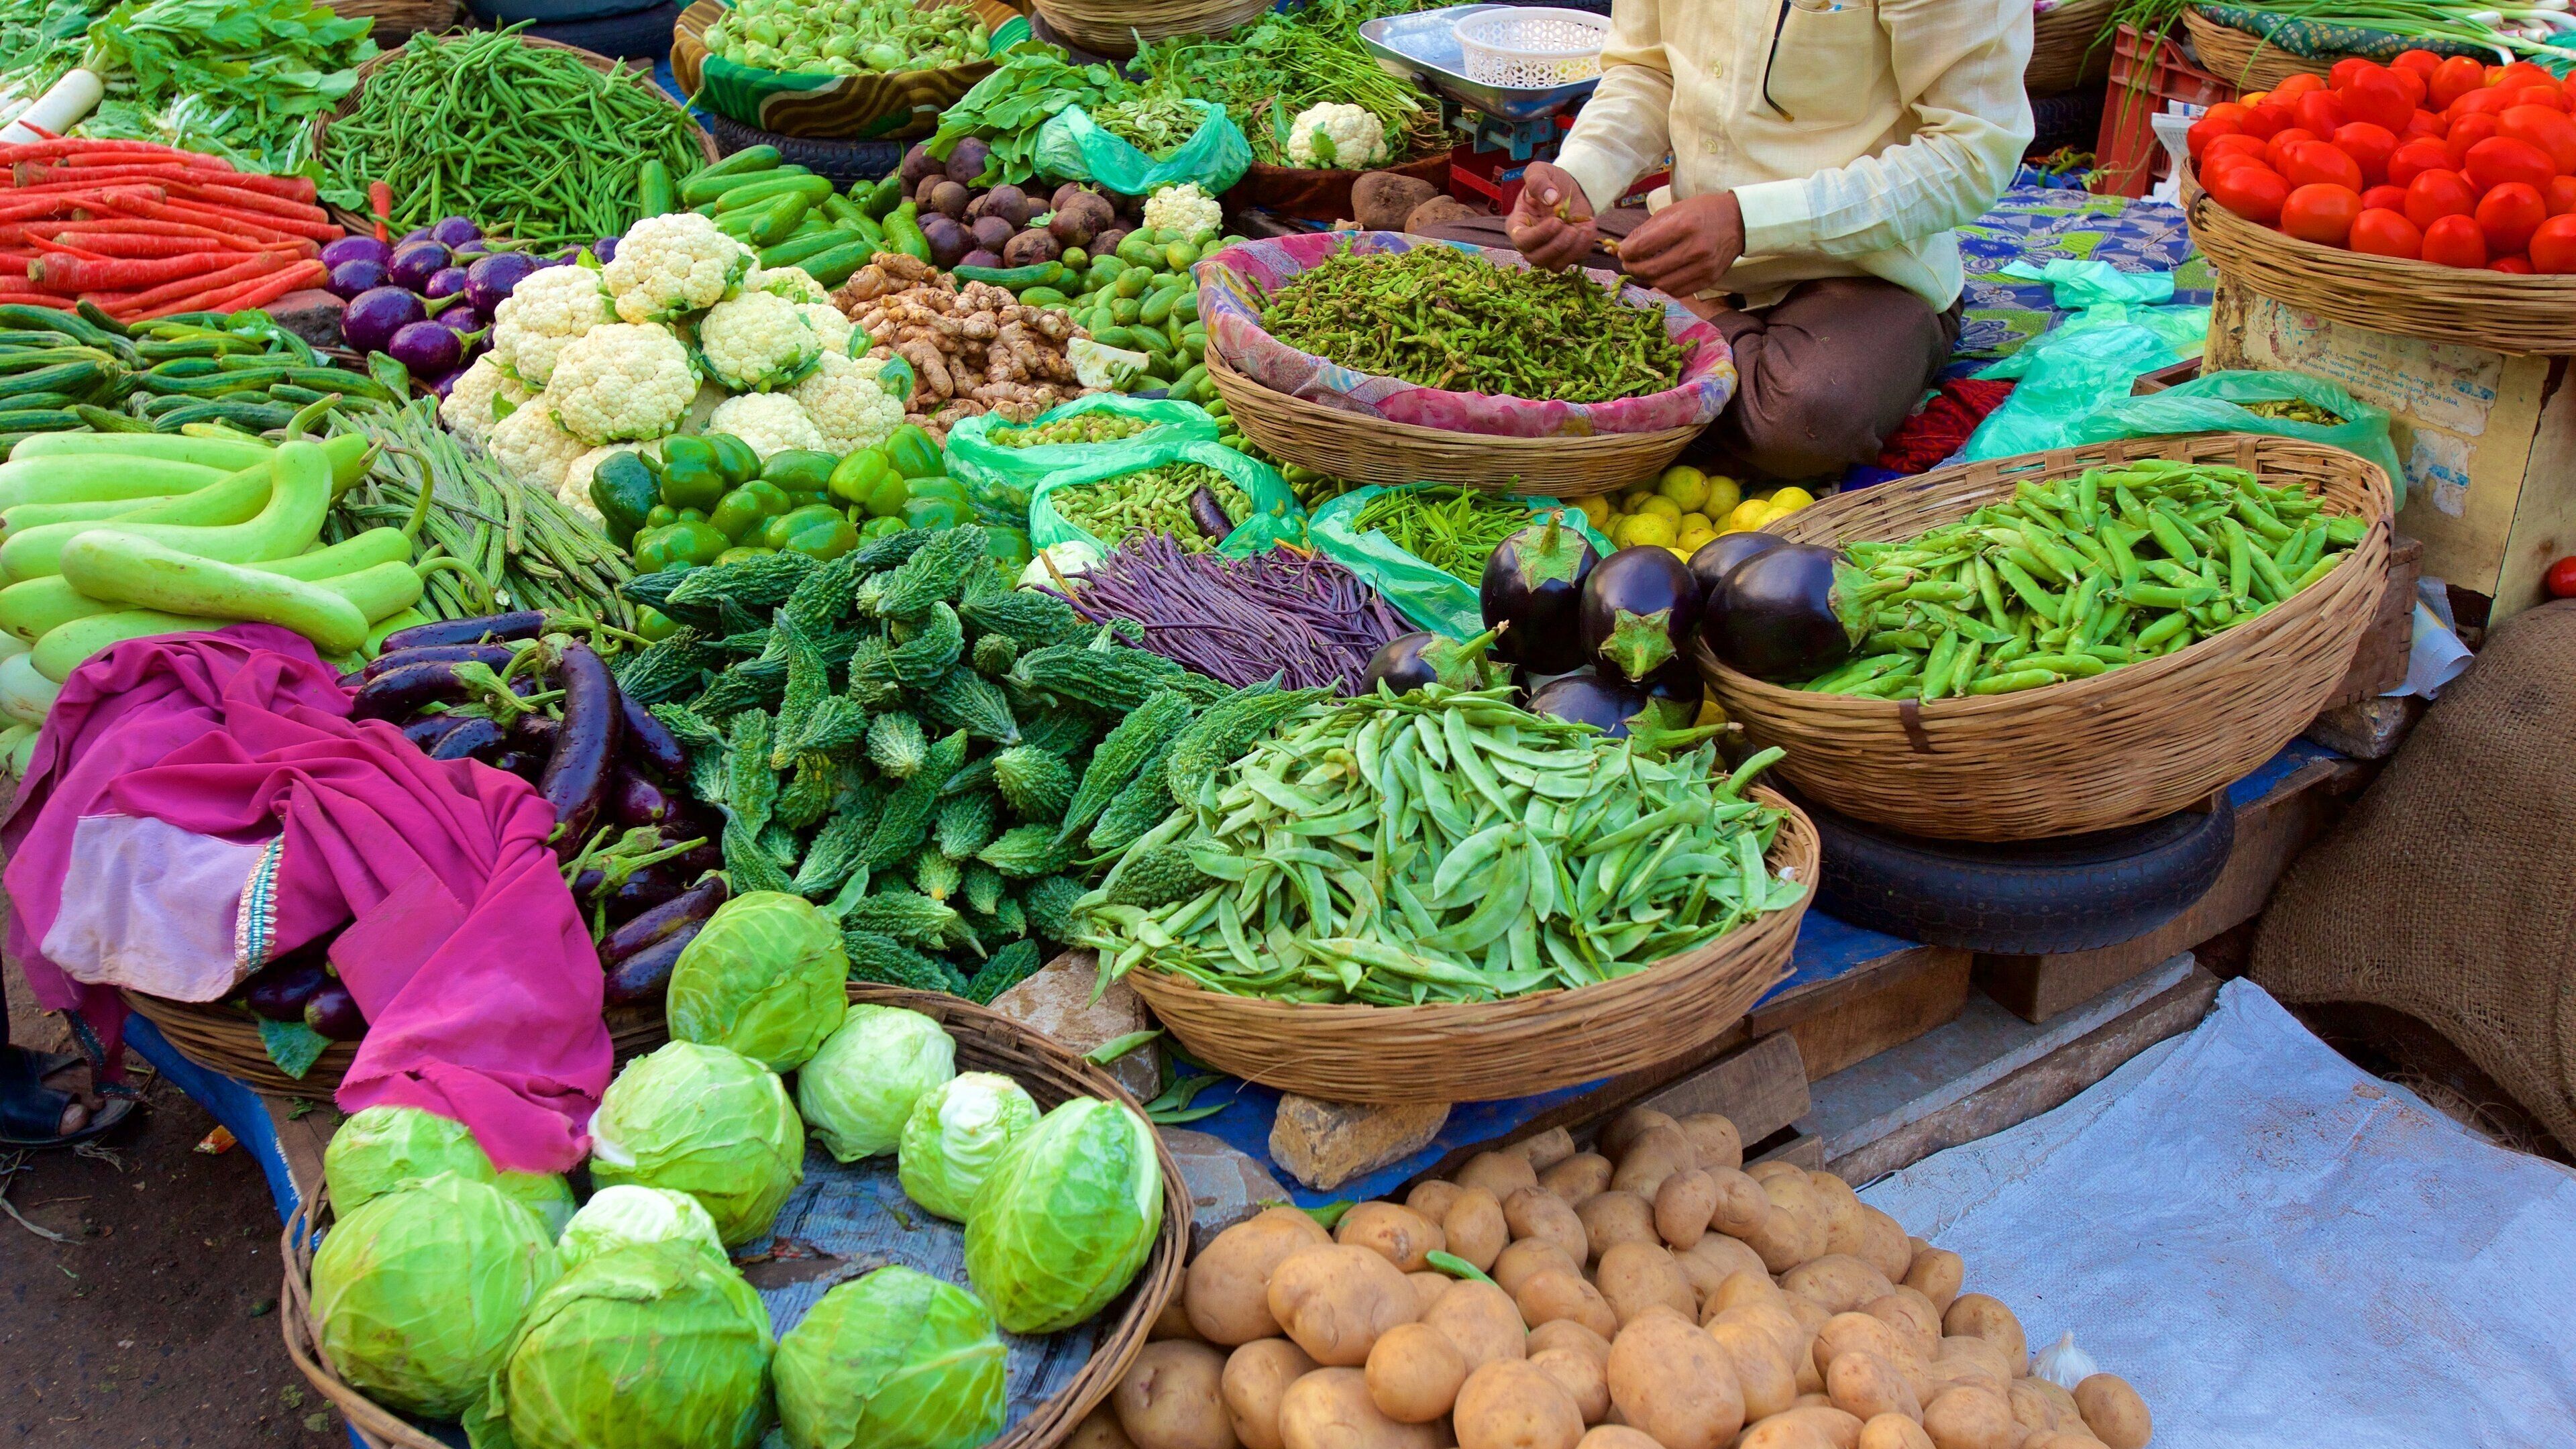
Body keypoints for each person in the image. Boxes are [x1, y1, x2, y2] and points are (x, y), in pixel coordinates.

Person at [1417, 0, 2034, 480]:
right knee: (1433, 270)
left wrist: (1747, 221)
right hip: (1681, 239)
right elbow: (1645, 72)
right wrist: (1582, 178)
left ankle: (1690, 322)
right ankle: (1700, 335)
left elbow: (1972, 154)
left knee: (1804, 421)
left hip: (1862, 269)